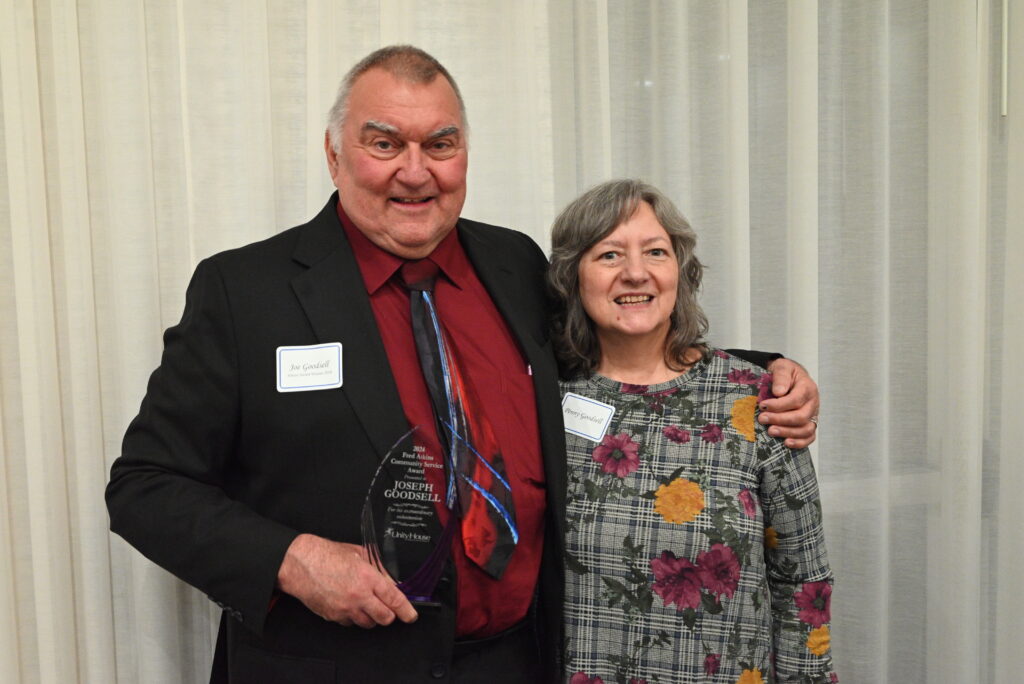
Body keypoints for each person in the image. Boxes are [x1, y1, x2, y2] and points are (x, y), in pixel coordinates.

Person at [105, 47, 820, 683]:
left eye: (439, 144)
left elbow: (613, 348)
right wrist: (295, 560)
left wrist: (766, 371)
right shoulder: (246, 292)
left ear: (465, 156)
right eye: (384, 143)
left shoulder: (512, 264)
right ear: (334, 155)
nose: (415, 172)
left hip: (518, 661)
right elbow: (144, 486)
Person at [548, 179, 836, 683]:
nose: (635, 272)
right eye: (609, 255)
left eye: (655, 252)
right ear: (573, 278)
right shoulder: (539, 400)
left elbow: (803, 582)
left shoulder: (758, 401)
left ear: (680, 270)